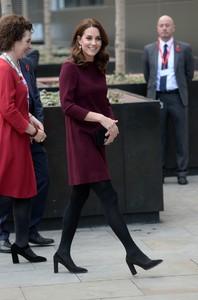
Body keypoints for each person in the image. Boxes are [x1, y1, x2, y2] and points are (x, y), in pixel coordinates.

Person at [53, 18, 163, 276]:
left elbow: (102, 101)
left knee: (78, 197)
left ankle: (62, 252)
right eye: (88, 38)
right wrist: (101, 118)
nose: (93, 43)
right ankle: (133, 252)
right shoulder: (69, 68)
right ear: (78, 39)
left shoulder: (98, 66)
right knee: (109, 195)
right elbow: (67, 106)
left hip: (96, 138)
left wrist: (112, 125)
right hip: (80, 140)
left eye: (97, 39)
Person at [0, 14, 47, 263]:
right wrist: (34, 132)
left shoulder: (14, 65)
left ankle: (20, 245)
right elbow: (6, 109)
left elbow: (17, 105)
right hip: (11, 139)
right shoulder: (3, 67)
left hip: (18, 137)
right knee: (13, 192)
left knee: (23, 193)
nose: (29, 45)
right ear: (14, 40)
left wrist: (31, 118)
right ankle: (20, 244)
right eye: (27, 40)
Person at [143, 15, 194, 185]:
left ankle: (182, 173)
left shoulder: (184, 48)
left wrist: (177, 88)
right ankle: (160, 173)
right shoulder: (149, 49)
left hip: (177, 97)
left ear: (173, 28)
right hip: (158, 98)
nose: (164, 28)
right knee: (159, 137)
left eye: (167, 25)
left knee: (181, 137)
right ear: (157, 28)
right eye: (161, 25)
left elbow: (189, 74)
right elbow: (147, 75)